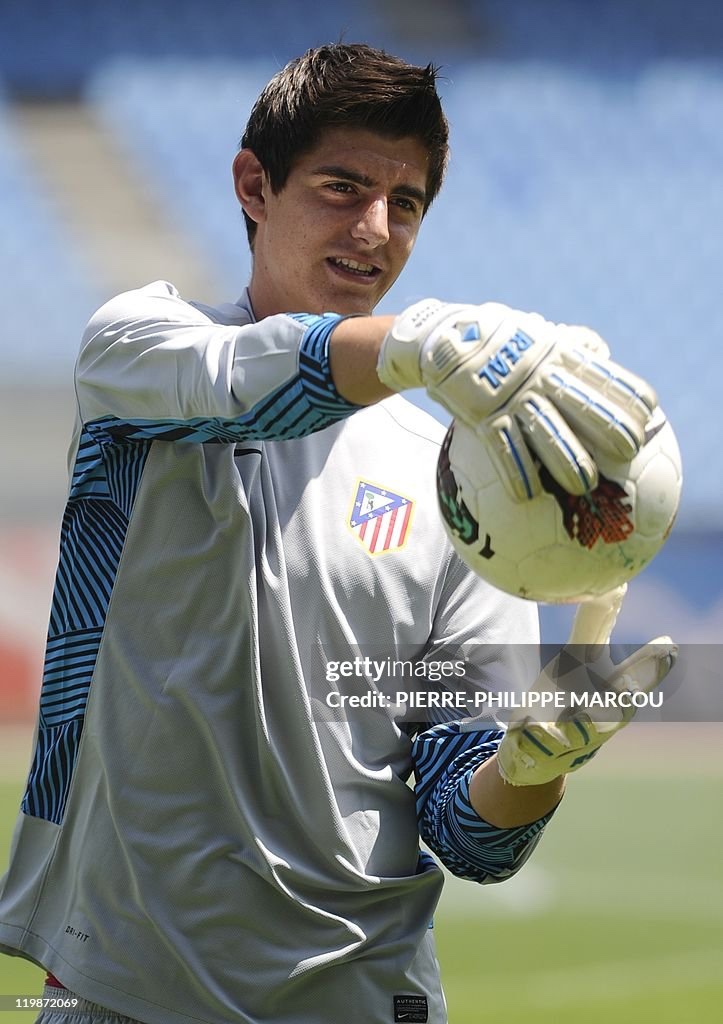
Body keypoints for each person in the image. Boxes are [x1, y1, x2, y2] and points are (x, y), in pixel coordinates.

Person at [0, 43, 674, 1024]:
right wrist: (413, 344)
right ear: (254, 184)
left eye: (405, 204)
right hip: (114, 986)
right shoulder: (138, 353)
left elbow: (467, 836)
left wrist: (531, 768)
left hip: (362, 998)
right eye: (343, 187)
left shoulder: (472, 487)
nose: (375, 231)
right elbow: (254, 384)